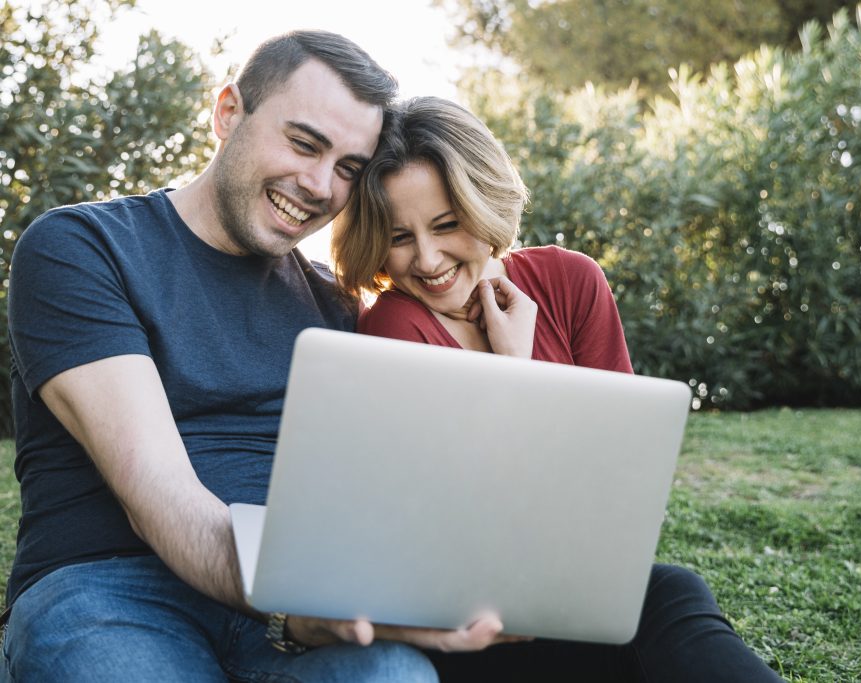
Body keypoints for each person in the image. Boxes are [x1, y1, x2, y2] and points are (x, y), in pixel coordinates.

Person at [3, 31, 509, 683]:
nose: (320, 185)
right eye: (303, 143)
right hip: (110, 590)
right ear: (226, 113)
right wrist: (296, 606)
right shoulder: (82, 248)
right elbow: (160, 498)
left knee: (393, 675)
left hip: (289, 598)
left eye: (349, 168)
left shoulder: (336, 306)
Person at [333, 96, 785, 682]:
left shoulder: (571, 281)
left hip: (572, 586)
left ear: (485, 204)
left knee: (670, 591)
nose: (427, 258)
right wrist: (517, 369)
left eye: (447, 225)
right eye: (400, 236)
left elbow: (613, 486)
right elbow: (462, 521)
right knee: (665, 596)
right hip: (463, 623)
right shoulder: (394, 326)